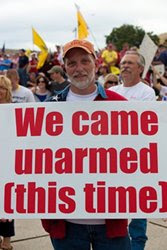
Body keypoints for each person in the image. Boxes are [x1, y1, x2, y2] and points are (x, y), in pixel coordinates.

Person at [41, 39, 131, 250]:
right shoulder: (47, 111)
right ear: (64, 68)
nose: (79, 68)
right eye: (72, 63)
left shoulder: (121, 107)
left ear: (96, 63)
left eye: (84, 61)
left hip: (111, 222)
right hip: (66, 224)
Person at [109, 50, 156, 250]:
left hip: (136, 159)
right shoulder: (113, 92)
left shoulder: (147, 93)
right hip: (113, 158)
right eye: (123, 62)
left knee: (137, 212)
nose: (125, 66)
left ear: (140, 69)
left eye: (130, 63)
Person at [0, 75, 15, 250]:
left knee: (7, 202)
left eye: (2, 88)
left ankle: (7, 239)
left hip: (8, 161)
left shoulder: (14, 111)